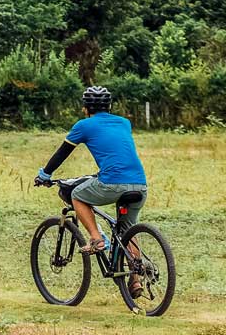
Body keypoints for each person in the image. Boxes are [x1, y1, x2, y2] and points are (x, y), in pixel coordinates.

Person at [35, 86, 148, 257]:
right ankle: (136, 281)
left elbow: (62, 152)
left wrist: (44, 175)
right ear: (109, 107)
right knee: (128, 232)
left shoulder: (84, 125)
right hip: (140, 185)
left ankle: (97, 239)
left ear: (85, 108)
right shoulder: (125, 123)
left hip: (112, 183)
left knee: (77, 195)